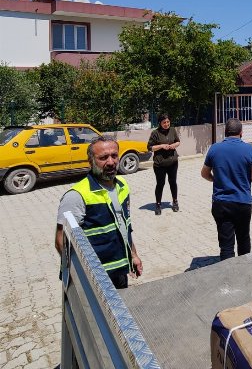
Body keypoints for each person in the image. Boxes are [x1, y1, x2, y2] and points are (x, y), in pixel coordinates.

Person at [55, 135, 143, 289]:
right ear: (91, 161)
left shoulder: (122, 186)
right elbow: (61, 241)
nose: (110, 162)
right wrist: (83, 277)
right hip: (94, 279)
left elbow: (125, 227)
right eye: (103, 158)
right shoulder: (77, 195)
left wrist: (133, 255)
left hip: (119, 272)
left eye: (114, 156)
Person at [201, 118, 252, 260]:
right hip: (242, 202)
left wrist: (217, 179)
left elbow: (204, 173)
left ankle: (228, 276)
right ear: (241, 133)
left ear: (225, 132)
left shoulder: (214, 148)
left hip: (221, 203)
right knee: (244, 239)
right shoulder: (250, 149)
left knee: (226, 244)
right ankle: (245, 271)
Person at [147, 113, 181, 215]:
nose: (166, 124)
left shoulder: (173, 130)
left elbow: (178, 142)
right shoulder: (155, 133)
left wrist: (173, 146)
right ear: (160, 123)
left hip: (173, 162)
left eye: (168, 122)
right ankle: (158, 204)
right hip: (159, 164)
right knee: (160, 184)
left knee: (173, 182)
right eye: (164, 122)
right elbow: (149, 147)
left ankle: (175, 201)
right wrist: (161, 146)